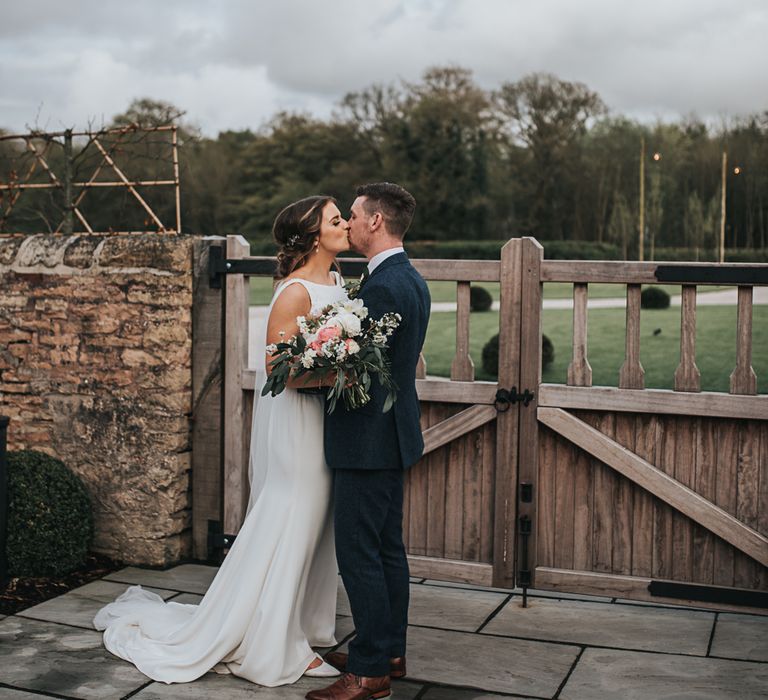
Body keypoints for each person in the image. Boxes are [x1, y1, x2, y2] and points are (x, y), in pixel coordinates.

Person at [93, 196, 352, 686]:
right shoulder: (294, 292)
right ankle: (270, 642)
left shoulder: (335, 282)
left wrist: (345, 366)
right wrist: (345, 375)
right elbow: (280, 373)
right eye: (337, 220)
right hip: (297, 423)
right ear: (315, 235)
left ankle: (299, 623)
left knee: (316, 523)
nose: (347, 225)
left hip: (324, 423)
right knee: (291, 516)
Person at [310, 183, 431, 700]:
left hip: (368, 440)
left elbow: (360, 370)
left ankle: (368, 672)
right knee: (386, 550)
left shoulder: (382, 287)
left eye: (355, 215)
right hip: (392, 435)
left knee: (360, 553)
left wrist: (311, 366)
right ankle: (388, 651)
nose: (350, 223)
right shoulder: (411, 279)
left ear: (376, 221)